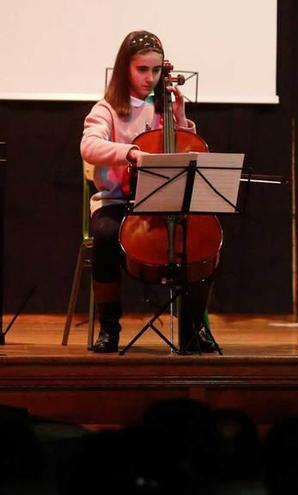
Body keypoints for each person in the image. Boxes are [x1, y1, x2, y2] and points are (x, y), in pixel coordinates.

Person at [81, 30, 215, 354]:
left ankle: (193, 326)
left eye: (156, 71)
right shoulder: (107, 109)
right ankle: (109, 327)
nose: (150, 78)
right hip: (119, 200)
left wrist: (180, 116)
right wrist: (129, 152)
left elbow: (186, 151)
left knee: (203, 238)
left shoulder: (164, 107)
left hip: (164, 199)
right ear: (125, 67)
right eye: (143, 70)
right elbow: (89, 145)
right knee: (105, 236)